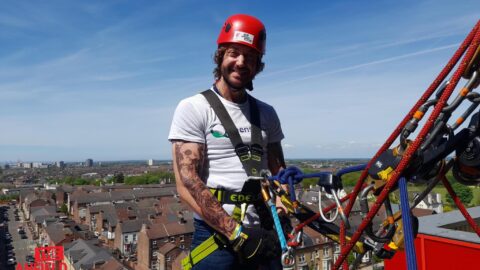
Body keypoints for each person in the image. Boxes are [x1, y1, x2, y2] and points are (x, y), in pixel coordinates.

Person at [168, 14, 287, 269]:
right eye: (234, 53)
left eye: (250, 57)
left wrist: (284, 209)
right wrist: (237, 234)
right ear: (220, 56)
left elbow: (278, 172)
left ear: (258, 65)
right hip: (217, 237)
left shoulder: (267, 113)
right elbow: (187, 183)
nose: (241, 62)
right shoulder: (194, 107)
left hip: (265, 231)